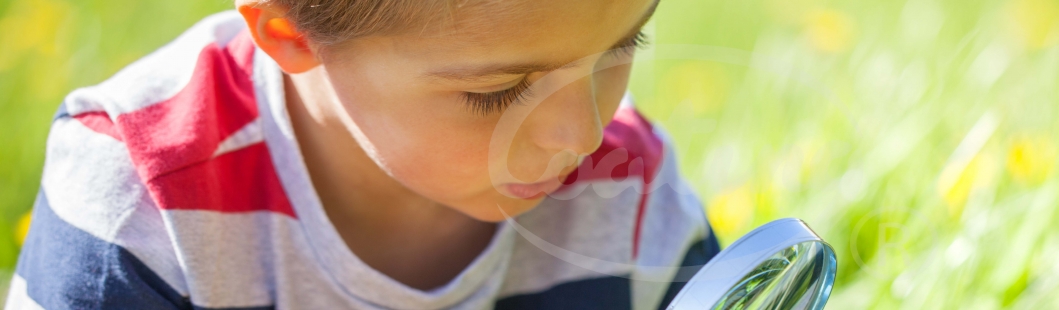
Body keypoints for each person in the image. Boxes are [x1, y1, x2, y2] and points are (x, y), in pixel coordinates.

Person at [6, 0, 719, 308]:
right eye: (500, 92)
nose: (582, 134)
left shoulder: (629, 192)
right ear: (290, 32)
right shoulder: (144, 202)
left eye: (622, 46)